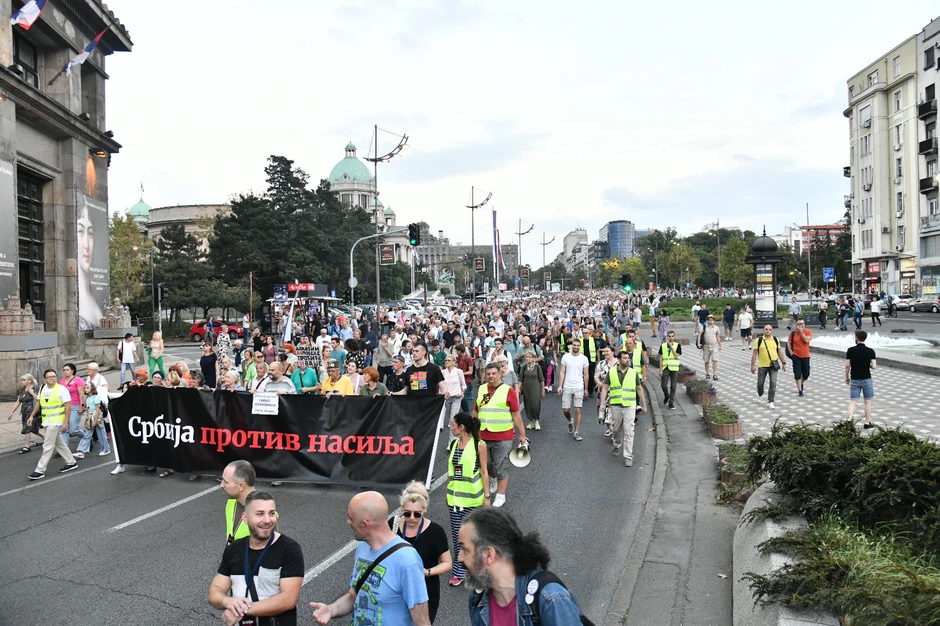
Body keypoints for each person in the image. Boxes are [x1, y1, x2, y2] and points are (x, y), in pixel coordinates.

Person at [310, 491, 431, 626]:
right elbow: (353, 596)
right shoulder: (363, 547)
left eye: (351, 518)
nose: (348, 522)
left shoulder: (407, 560)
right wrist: (331, 609)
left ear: (365, 525)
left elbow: (422, 622)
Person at [459, 508, 585, 625]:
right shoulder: (478, 598)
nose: (459, 558)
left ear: (489, 555)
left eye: (465, 550)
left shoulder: (550, 599)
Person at [208, 491, 304, 626]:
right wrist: (227, 601)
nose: (267, 520)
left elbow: (288, 600)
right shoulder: (234, 548)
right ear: (245, 518)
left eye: (271, 513)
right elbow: (215, 591)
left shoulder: (289, 549)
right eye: (260, 514)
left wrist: (243, 611)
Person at [390, 482, 452, 623]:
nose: (412, 518)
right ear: (402, 508)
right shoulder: (392, 524)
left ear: (425, 509)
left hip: (424, 592)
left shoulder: (435, 532)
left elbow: (447, 563)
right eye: (407, 513)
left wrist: (427, 572)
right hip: (396, 590)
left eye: (417, 514)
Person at [472, 363, 528, 508]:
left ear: (500, 374)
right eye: (488, 374)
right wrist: (472, 429)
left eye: (493, 373)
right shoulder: (481, 389)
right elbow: (476, 410)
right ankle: (492, 480)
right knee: (485, 465)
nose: (490, 376)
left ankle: (500, 495)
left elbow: (516, 414)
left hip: (503, 437)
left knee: (501, 466)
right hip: (483, 436)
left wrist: (522, 434)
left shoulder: (508, 391)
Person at [446, 412, 489, 588]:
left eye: (453, 425)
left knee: (473, 538)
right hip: (455, 500)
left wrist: (487, 497)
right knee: (458, 537)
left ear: (462, 427)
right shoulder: (454, 444)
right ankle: (459, 572)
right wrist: (447, 493)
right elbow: (452, 472)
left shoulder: (479, 445)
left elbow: (484, 472)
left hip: (473, 500)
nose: (451, 427)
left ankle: (478, 569)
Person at [26, 369, 79, 480]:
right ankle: (71, 462)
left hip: (56, 421)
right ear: (45, 379)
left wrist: (65, 422)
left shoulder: (62, 389)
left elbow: (68, 406)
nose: (51, 378)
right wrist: (31, 416)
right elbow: (39, 403)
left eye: (53, 376)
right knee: (59, 443)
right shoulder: (42, 388)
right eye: (49, 376)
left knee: (47, 446)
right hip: (47, 421)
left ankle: (40, 470)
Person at [600, 350, 648, 467]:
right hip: (616, 405)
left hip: (630, 406)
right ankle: (617, 445)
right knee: (616, 430)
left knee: (629, 431)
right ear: (619, 359)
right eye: (625, 358)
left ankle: (628, 456)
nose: (627, 360)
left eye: (628, 358)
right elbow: (605, 388)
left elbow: (639, 388)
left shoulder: (633, 372)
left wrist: (644, 404)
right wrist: (602, 403)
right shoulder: (612, 372)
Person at [557, 338, 589, 441]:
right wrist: (560, 386)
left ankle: (577, 431)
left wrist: (586, 389)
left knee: (578, 409)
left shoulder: (584, 358)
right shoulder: (565, 357)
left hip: (579, 386)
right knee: (565, 409)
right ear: (571, 345)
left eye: (578, 345)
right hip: (567, 386)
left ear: (580, 346)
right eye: (574, 345)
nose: (576, 347)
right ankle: (570, 420)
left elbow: (586, 374)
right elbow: (562, 372)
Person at [750, 325, 787, 410]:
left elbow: (779, 352)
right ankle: (760, 394)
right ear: (763, 330)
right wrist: (752, 365)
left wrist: (784, 363)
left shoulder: (775, 339)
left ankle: (771, 401)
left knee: (773, 384)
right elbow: (754, 353)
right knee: (760, 383)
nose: (768, 331)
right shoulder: (759, 340)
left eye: (769, 329)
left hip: (773, 366)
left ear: (772, 331)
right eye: (766, 329)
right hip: (762, 366)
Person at [846, 329, 877, 429]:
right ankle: (867, 423)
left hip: (854, 378)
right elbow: (874, 366)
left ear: (857, 338)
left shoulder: (850, 350)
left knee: (853, 401)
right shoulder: (870, 351)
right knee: (867, 401)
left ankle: (849, 420)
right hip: (867, 378)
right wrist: (868, 365)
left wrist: (846, 377)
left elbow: (847, 366)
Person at [8, 373, 40, 454]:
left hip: (32, 410)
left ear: (29, 381)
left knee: (27, 428)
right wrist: (12, 412)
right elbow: (18, 401)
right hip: (24, 411)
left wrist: (31, 392)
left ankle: (27, 446)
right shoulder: (22, 390)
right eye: (22, 380)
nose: (22, 382)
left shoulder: (35, 388)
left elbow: (38, 399)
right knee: (33, 429)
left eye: (24, 380)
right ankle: (45, 437)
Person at [59, 362, 87, 450]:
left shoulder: (78, 380)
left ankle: (86, 440)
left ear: (72, 370)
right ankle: (64, 449)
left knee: (74, 429)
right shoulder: (62, 382)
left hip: (75, 406)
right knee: (64, 429)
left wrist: (82, 406)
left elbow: (81, 394)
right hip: (64, 407)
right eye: (64, 370)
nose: (65, 372)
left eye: (67, 370)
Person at [519, 351, 545, 431]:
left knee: (535, 405)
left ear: (534, 358)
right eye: (526, 357)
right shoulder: (524, 367)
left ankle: (536, 420)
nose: (527, 359)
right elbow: (520, 379)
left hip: (535, 389)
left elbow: (541, 379)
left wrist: (543, 390)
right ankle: (531, 421)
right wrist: (518, 389)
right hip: (526, 389)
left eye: (529, 357)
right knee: (527, 405)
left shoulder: (537, 367)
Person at [441, 354, 466, 435]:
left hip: (456, 397)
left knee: (453, 418)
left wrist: (462, 393)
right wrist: (442, 392)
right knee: (448, 414)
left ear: (453, 362)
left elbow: (463, 384)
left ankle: (452, 439)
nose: (446, 362)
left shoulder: (459, 371)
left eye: (448, 360)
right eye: (445, 360)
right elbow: (440, 385)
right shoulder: (442, 372)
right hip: (447, 397)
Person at [789, 319, 812, 397]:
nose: (801, 325)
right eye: (799, 324)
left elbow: (806, 340)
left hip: (806, 356)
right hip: (796, 356)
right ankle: (800, 390)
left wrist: (801, 332)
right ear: (796, 325)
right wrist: (791, 353)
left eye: (803, 323)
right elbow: (789, 343)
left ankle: (801, 383)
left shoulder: (808, 331)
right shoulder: (793, 333)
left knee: (806, 374)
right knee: (797, 373)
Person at [659, 330, 682, 409]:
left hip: (674, 368)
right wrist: (660, 369)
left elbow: (677, 356)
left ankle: (671, 403)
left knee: (673, 387)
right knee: (663, 385)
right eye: (669, 336)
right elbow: (661, 358)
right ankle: (667, 396)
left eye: (672, 336)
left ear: (674, 337)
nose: (671, 338)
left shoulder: (677, 345)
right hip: (665, 367)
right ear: (667, 337)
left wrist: (671, 347)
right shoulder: (663, 346)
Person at [697, 315, 722, 380]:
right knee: (706, 361)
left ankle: (715, 374)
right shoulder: (704, 327)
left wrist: (720, 345)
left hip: (714, 345)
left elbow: (718, 337)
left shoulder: (716, 328)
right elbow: (699, 335)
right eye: (709, 320)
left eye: (712, 320)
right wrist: (698, 343)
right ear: (707, 320)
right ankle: (707, 373)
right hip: (706, 346)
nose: (711, 321)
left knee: (715, 360)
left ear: (714, 321)